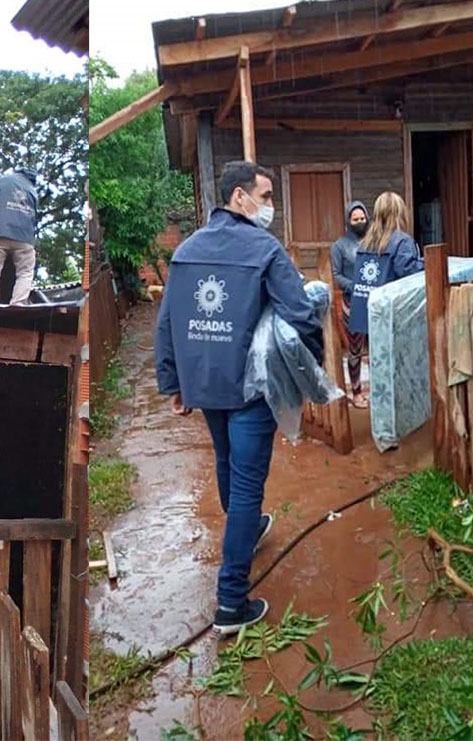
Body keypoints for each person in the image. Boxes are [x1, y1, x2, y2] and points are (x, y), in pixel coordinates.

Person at [154, 160, 323, 636]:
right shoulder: (265, 249)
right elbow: (301, 314)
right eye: (266, 196)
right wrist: (311, 372)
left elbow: (167, 322)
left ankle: (243, 534)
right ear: (239, 197)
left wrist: (174, 384)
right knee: (247, 487)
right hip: (250, 388)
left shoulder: (186, 250)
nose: (270, 206)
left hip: (206, 385)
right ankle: (231, 602)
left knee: (227, 462)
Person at [349, 191, 424, 336]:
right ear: (400, 213)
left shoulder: (365, 243)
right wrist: (426, 263)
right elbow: (407, 270)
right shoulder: (402, 241)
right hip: (392, 315)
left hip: (366, 312)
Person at [0, 168, 38, 305]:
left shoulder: (3, 180)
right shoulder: (32, 191)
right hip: (24, 237)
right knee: (25, 272)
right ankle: (18, 304)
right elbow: (34, 217)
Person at [330, 201, 369, 408]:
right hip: (352, 302)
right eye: (355, 219)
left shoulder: (373, 242)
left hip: (376, 300)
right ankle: (356, 392)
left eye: (362, 218)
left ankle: (381, 391)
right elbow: (336, 275)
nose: (360, 222)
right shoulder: (339, 246)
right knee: (355, 348)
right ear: (348, 221)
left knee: (380, 345)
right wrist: (355, 287)